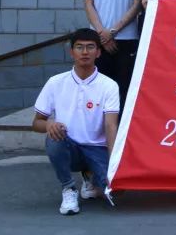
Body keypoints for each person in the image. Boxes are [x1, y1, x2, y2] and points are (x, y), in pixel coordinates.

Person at [33, 29, 120, 216]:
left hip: (97, 148)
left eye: (90, 47)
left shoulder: (109, 85)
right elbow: (36, 123)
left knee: (117, 190)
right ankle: (68, 188)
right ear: (71, 52)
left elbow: (110, 125)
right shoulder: (55, 82)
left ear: (98, 52)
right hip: (69, 147)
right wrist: (49, 124)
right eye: (79, 47)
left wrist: (114, 163)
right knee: (54, 137)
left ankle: (91, 177)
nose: (85, 52)